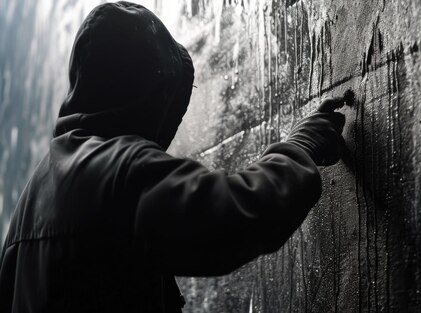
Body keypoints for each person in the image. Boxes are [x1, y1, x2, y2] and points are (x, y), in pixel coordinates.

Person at [0, 2, 347, 312]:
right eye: (170, 93)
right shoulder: (118, 167)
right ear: (150, 91)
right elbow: (234, 217)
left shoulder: (34, 194)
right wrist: (300, 146)